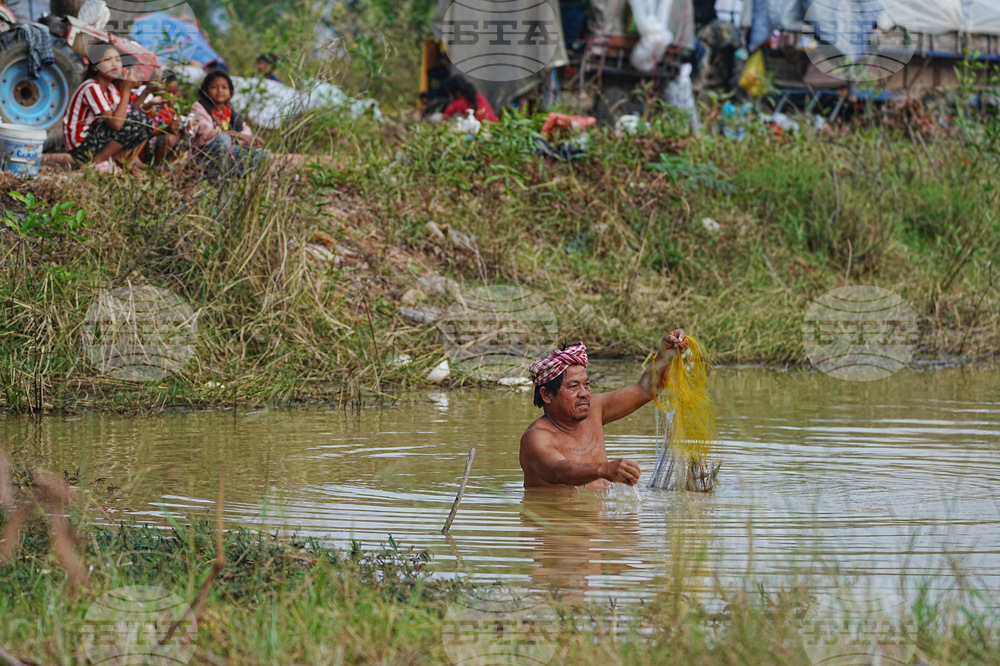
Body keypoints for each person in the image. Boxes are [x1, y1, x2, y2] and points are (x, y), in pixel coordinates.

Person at [520, 331, 689, 490]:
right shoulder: (536, 437)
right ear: (546, 395)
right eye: (573, 386)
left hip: (600, 519)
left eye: (586, 384)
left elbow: (647, 389)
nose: (584, 393)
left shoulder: (594, 409)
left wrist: (666, 354)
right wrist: (604, 469)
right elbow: (559, 471)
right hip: (556, 521)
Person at [63, 42, 156, 172]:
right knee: (138, 121)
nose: (115, 64)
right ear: (95, 67)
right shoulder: (91, 87)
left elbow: (130, 114)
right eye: (107, 60)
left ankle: (111, 162)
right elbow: (117, 124)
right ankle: (97, 162)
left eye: (118, 60)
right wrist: (126, 90)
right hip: (81, 146)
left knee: (146, 124)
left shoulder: (111, 89)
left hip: (93, 139)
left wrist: (145, 91)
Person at [190, 69, 267, 178]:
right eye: (214, 87)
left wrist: (250, 139)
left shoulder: (230, 112)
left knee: (263, 154)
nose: (219, 91)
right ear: (205, 90)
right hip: (204, 153)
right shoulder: (199, 107)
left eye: (224, 87)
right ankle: (211, 173)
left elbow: (245, 131)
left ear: (230, 92)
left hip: (230, 153)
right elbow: (206, 131)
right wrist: (234, 135)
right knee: (223, 140)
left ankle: (232, 173)